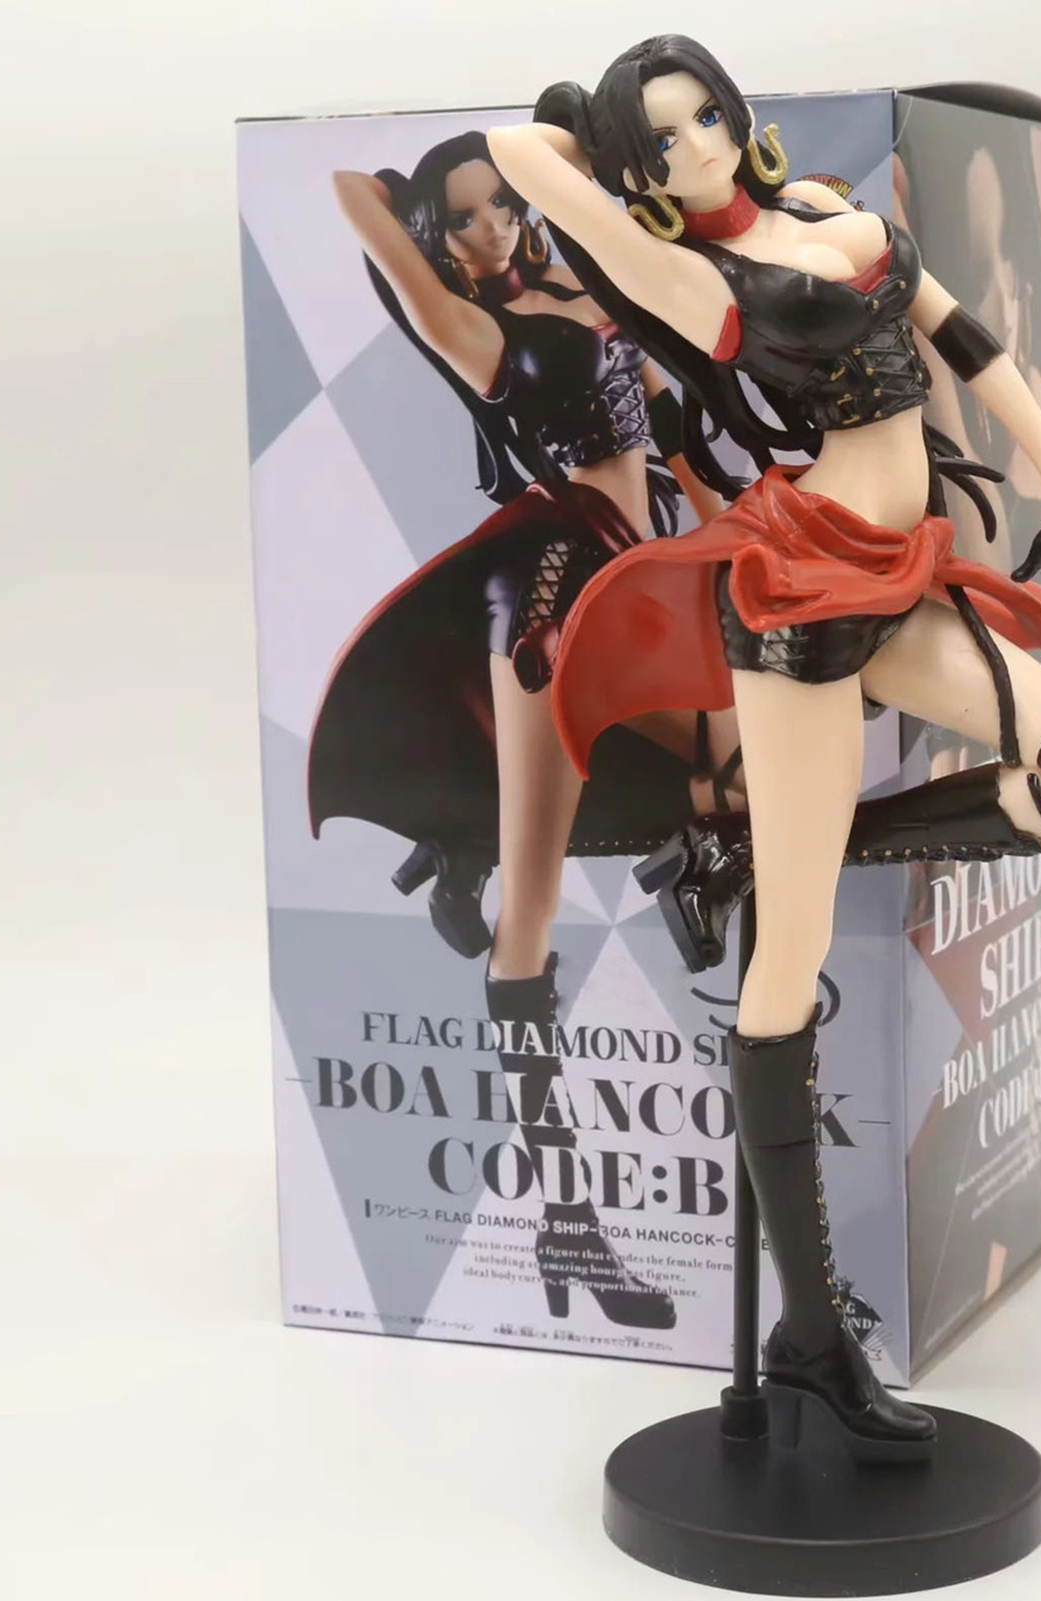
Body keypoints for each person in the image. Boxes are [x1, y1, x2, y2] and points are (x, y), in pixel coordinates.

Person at [485, 35, 1041, 1461]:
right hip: (795, 599)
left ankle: (771, 850)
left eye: (702, 115)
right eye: (660, 140)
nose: (695, 146)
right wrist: (591, 137)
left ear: (737, 111)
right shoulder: (689, 278)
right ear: (637, 169)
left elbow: (969, 345)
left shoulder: (833, 212)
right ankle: (808, 1336)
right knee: (781, 969)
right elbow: (525, 159)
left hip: (898, 572)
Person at [308, 132, 743, 1331]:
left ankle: (483, 836)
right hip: (548, 589)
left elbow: (678, 453)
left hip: (639, 571)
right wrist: (418, 221)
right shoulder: (472, 333)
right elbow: (347, 189)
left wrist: (733, 537)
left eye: (503, 203)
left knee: (738, 764)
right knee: (533, 916)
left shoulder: (589, 287)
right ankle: (566, 1222)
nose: (493, 225)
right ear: (436, 238)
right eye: (463, 217)